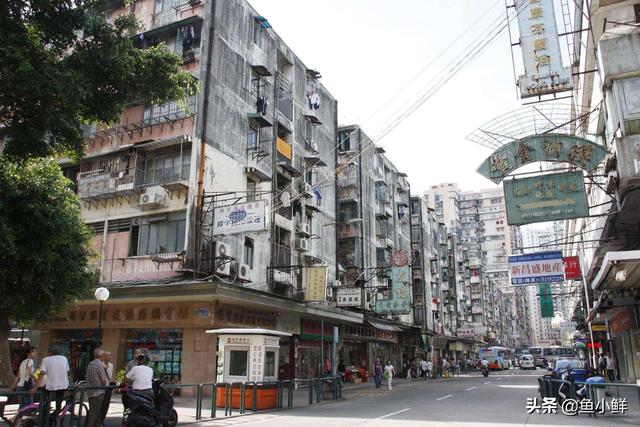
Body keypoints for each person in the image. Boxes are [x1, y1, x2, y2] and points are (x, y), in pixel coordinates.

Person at [33, 345, 70, 413]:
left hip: (51, 385)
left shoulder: (46, 359)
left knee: (44, 396)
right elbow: (67, 371)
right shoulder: (64, 358)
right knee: (59, 400)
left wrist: (36, 387)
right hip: (63, 385)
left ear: (49, 352)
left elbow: (42, 374)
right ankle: (56, 413)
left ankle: (45, 410)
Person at [86, 349, 110, 427]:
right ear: (102, 356)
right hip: (98, 392)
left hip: (90, 391)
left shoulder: (90, 364)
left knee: (95, 412)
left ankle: (98, 425)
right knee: (94, 413)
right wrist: (107, 383)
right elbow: (103, 379)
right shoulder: (99, 365)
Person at [100, 351, 114, 425]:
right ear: (104, 357)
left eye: (110, 356)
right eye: (109, 356)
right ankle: (98, 421)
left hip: (108, 387)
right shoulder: (100, 365)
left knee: (106, 404)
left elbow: (110, 376)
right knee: (101, 405)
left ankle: (102, 420)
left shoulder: (111, 365)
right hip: (101, 387)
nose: (110, 357)